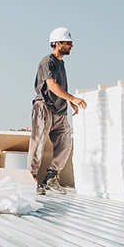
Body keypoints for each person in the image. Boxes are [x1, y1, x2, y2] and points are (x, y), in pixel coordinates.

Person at [29, 27, 87, 196]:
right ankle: (31, 179)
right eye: (68, 43)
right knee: (38, 143)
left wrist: (68, 101)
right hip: (45, 107)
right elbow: (51, 85)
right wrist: (73, 98)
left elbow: (59, 87)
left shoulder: (61, 63)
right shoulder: (48, 62)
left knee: (66, 142)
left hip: (60, 111)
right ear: (57, 43)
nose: (71, 46)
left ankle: (51, 177)